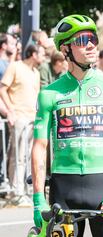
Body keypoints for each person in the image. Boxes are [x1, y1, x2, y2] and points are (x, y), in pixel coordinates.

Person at [31, 15, 103, 237]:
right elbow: (39, 146)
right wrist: (38, 198)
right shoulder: (49, 94)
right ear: (65, 49)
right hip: (64, 187)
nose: (90, 45)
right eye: (82, 40)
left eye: (93, 39)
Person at [0, 44, 45, 206]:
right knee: (17, 156)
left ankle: (25, 190)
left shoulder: (36, 72)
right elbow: (3, 88)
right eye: (41, 53)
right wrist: (10, 110)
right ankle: (16, 192)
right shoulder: (15, 66)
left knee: (29, 156)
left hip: (33, 118)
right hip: (19, 117)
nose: (44, 56)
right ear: (33, 54)